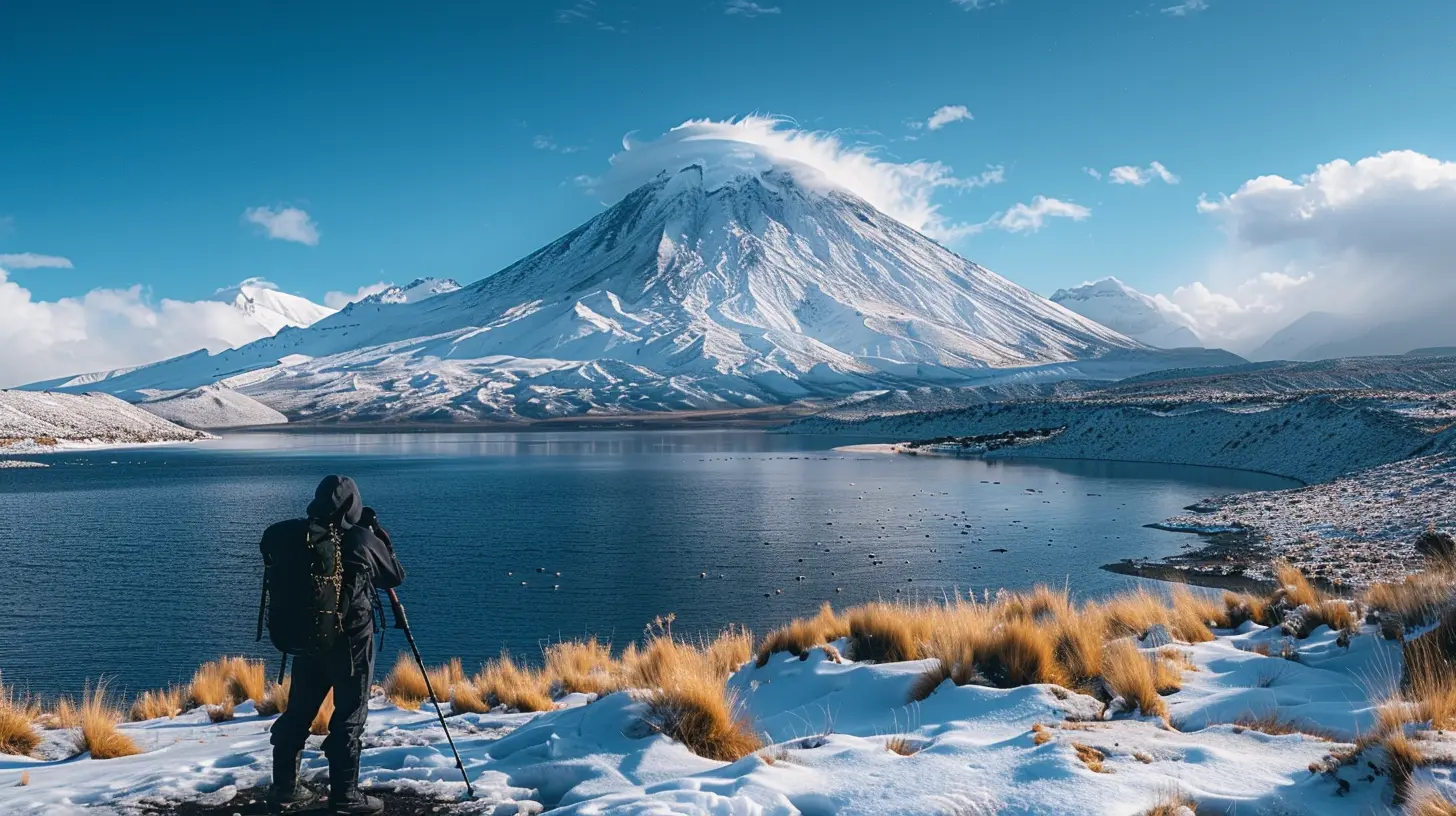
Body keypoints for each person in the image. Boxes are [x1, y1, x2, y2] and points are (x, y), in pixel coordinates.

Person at [261, 475, 405, 815]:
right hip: (352, 644)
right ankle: (345, 795)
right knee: (349, 717)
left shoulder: (297, 535)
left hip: (309, 640)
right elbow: (394, 576)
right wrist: (380, 537)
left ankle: (284, 788)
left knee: (298, 713)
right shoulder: (360, 538)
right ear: (351, 505)